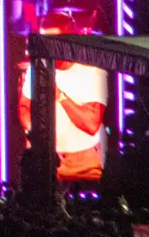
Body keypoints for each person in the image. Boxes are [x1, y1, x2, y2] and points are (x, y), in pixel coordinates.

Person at [18, 12, 107, 181]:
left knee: (89, 197)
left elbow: (91, 124)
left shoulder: (91, 69)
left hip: (84, 162)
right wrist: (37, 136)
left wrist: (59, 95)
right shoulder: (37, 68)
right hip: (49, 163)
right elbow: (24, 107)